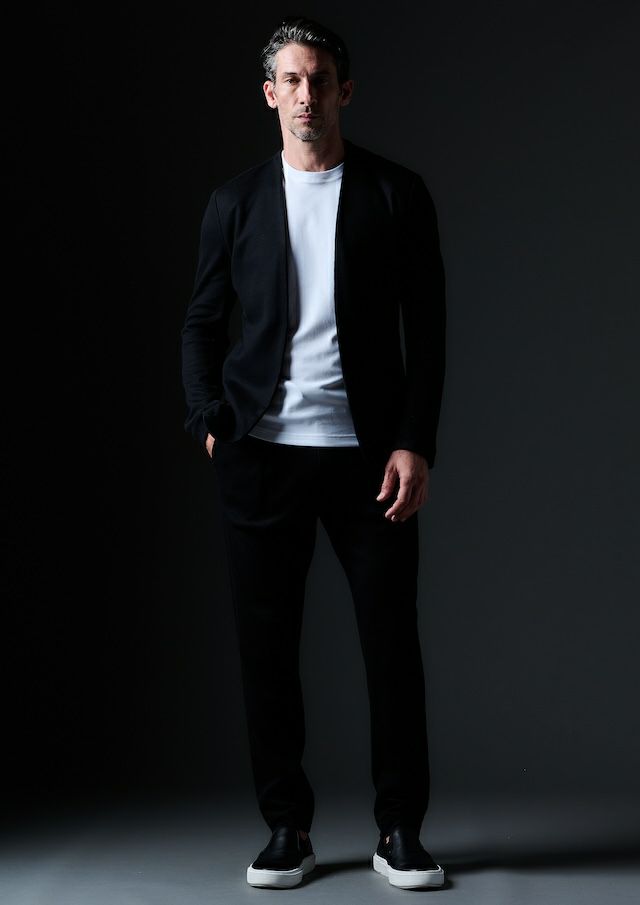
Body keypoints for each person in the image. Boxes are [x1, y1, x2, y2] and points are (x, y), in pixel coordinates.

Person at [181, 15, 447, 891]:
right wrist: (208, 418)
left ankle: (400, 829)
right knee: (267, 649)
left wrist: (414, 440)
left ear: (345, 91)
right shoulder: (234, 203)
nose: (306, 95)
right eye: (290, 80)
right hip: (260, 455)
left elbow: (429, 329)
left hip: (369, 460)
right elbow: (201, 322)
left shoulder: (395, 193)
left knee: (391, 644)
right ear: (270, 94)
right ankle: (286, 828)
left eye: (320, 79)